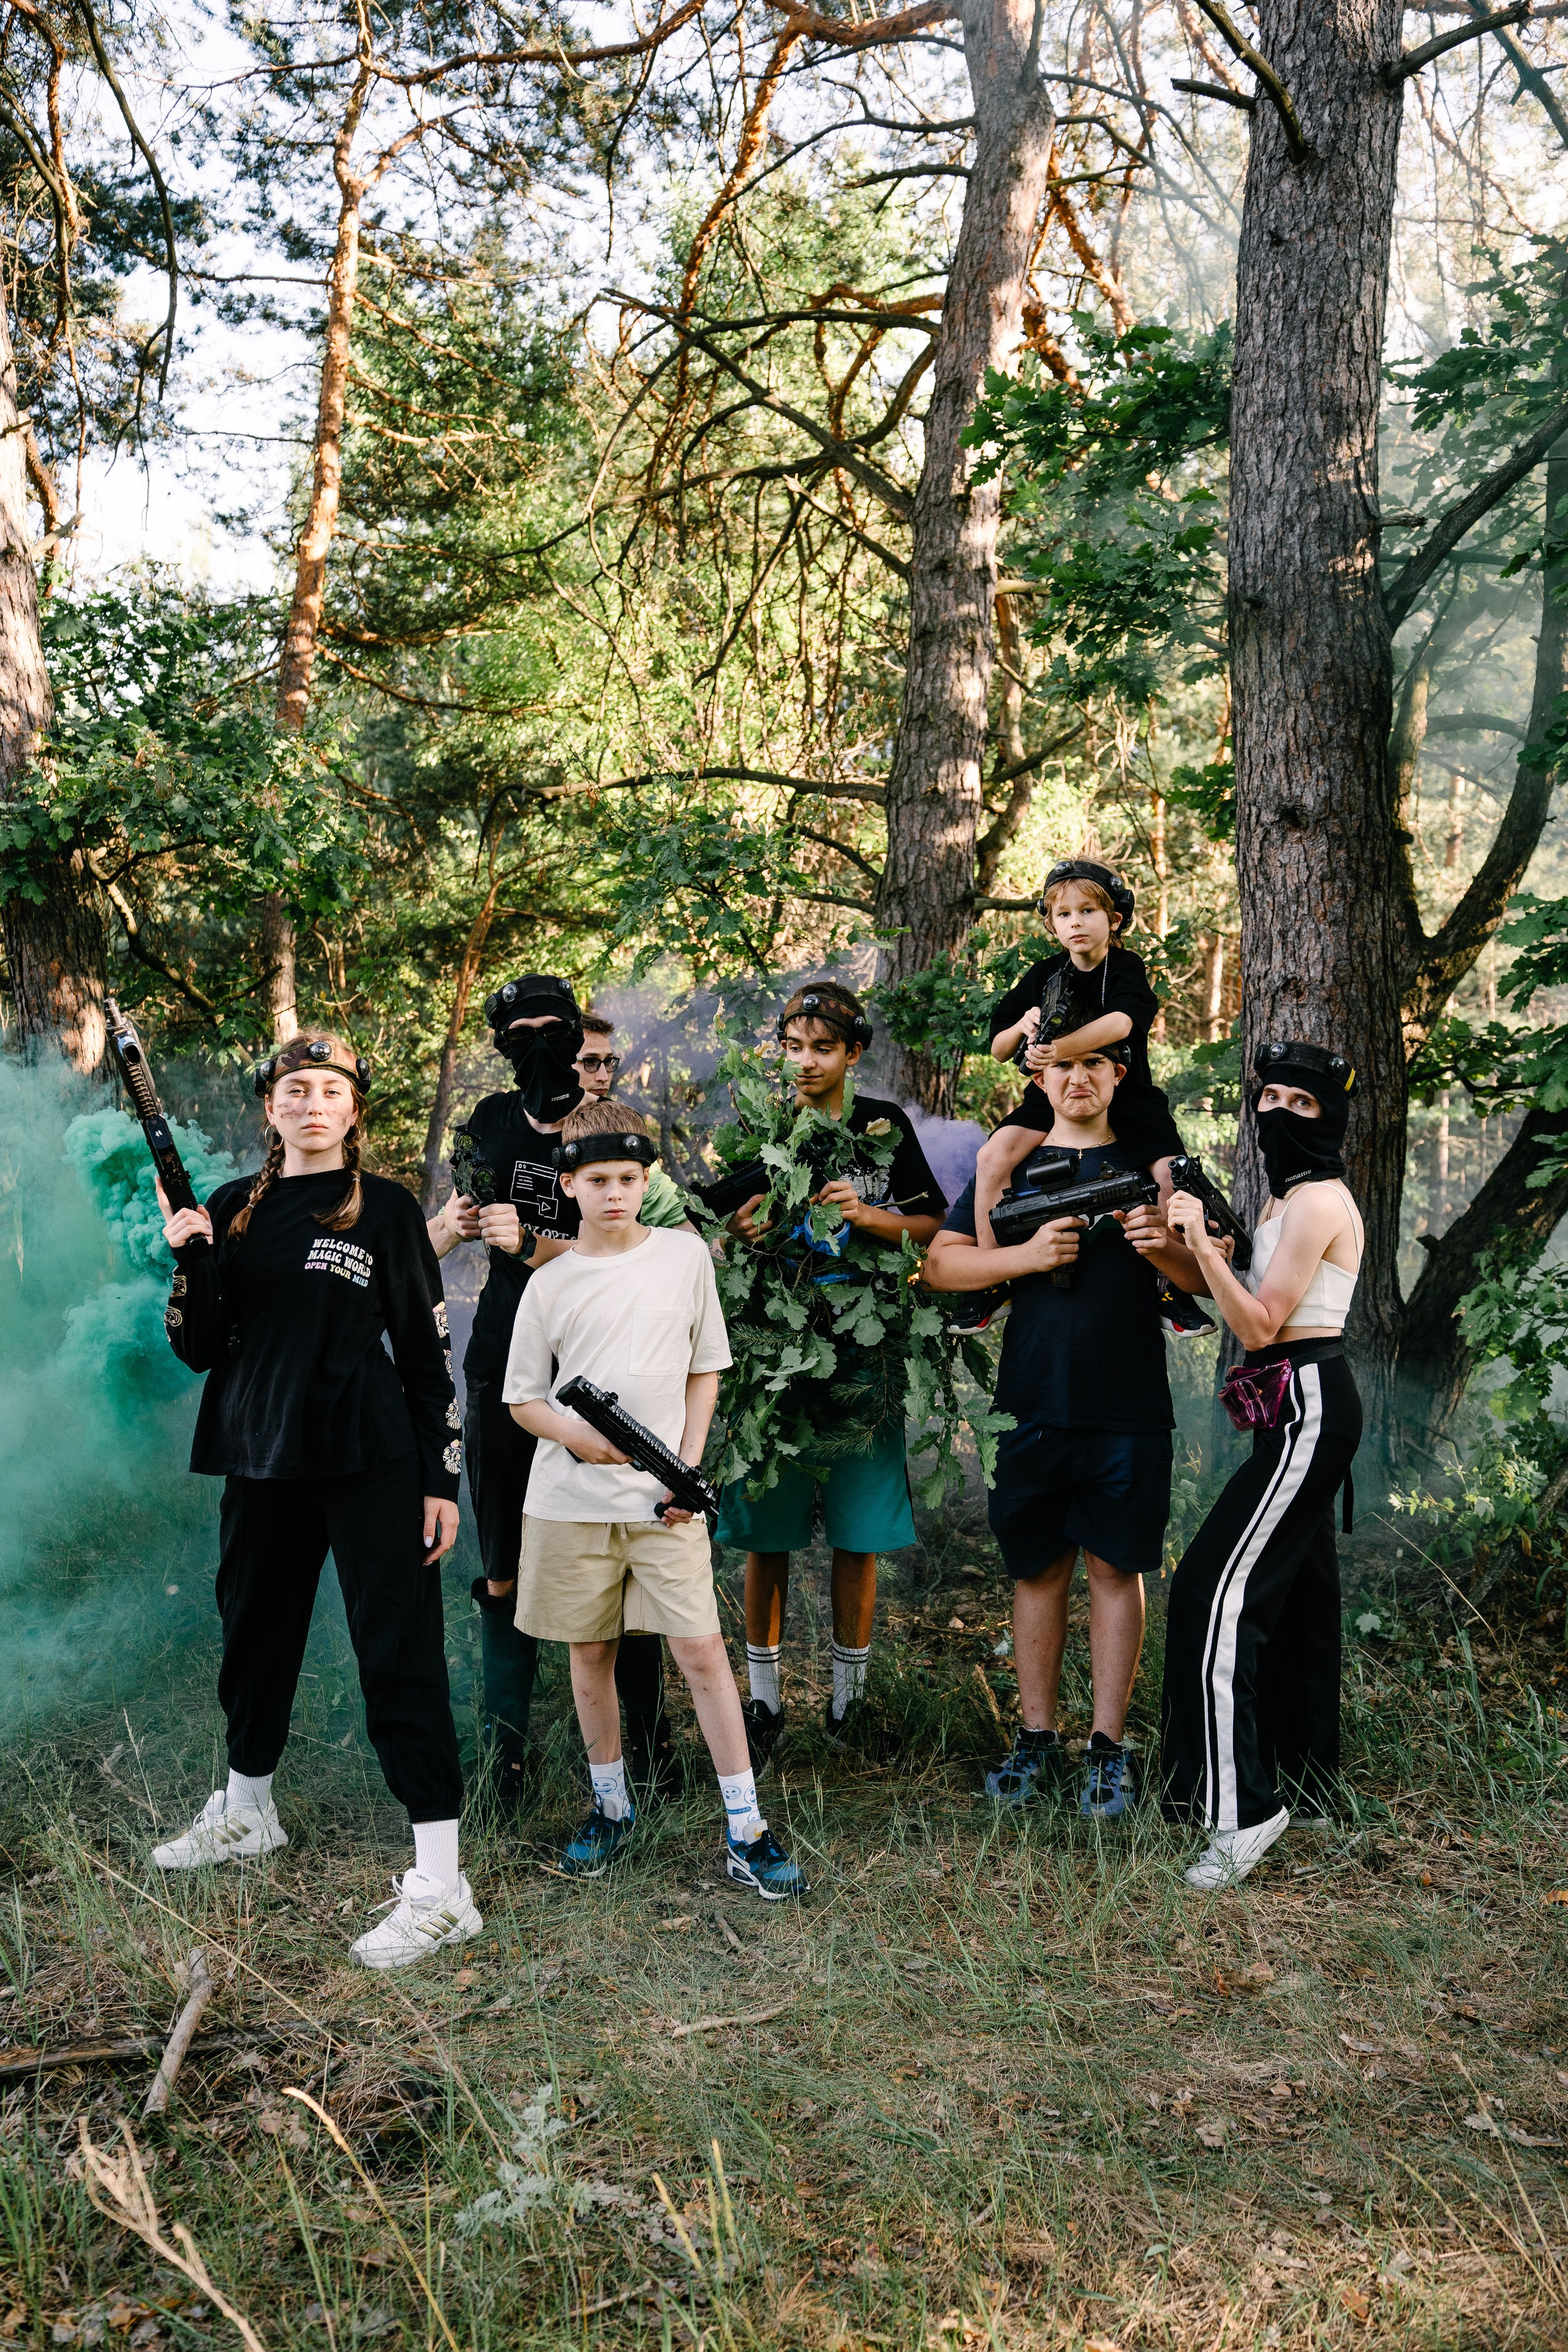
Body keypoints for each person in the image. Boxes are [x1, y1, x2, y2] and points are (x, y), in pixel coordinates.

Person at [153, 1033, 480, 1970]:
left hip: (371, 1462)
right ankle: (248, 1811)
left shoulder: (383, 1208)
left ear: (352, 1111)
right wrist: (190, 1257)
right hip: (259, 1459)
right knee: (254, 1641)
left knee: (397, 1656)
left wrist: (441, 1479)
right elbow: (199, 1347)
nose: (311, 1104)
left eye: (330, 1090)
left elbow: (427, 1353)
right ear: (270, 1108)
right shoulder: (230, 1208)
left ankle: (443, 1889)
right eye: (295, 1089)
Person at [503, 1102, 807, 1897]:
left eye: (630, 1179)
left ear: (648, 1181)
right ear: (568, 1184)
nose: (615, 1194)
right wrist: (577, 1435)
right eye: (598, 1179)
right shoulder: (549, 1282)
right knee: (590, 1654)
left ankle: (747, 1826)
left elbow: (706, 1368)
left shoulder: (683, 1256)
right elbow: (522, 1399)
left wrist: (685, 1469)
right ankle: (611, 1807)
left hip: (665, 1502)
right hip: (570, 1504)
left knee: (702, 1651)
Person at [924, 1041, 1205, 1820]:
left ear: (1119, 1075)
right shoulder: (1009, 1168)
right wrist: (1024, 1256)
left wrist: (1165, 1246)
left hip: (1128, 1405)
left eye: (1096, 1064)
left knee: (1116, 1569)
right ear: (1039, 1077)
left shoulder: (1155, 1167)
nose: (1078, 1078)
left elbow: (1208, 1279)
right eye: (1063, 1066)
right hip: (1031, 1403)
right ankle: (1036, 1738)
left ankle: (1107, 1749)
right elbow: (941, 1267)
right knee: (1038, 1571)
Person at [427, 975, 682, 1811]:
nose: (538, 1045)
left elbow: (647, 1255)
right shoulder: (488, 1124)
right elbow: (453, 1223)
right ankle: (506, 1758)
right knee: (502, 1565)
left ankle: (648, 1747)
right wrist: (438, 1236)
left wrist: (533, 1243)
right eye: (520, 1032)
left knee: (624, 1554)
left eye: (553, 1030)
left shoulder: (611, 1130)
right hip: (506, 1364)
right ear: (500, 1044)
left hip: (608, 1371)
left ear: (577, 1037)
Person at [716, 982, 944, 1766]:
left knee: (858, 1533)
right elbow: (719, 1227)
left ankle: (850, 1706)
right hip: (771, 1353)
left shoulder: (883, 1125)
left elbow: (931, 1224)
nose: (806, 1062)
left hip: (861, 1353)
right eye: (793, 1048)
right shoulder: (759, 1129)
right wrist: (740, 1236)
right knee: (766, 1532)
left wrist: (868, 1215)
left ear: (853, 1053)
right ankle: (763, 1703)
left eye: (823, 1048)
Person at [1159, 1039, 1363, 1890]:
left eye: (1301, 1103)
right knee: (1302, 1599)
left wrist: (1205, 1248)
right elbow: (1234, 1292)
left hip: (1307, 1398)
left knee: (1214, 1593)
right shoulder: (1284, 1198)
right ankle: (1307, 1783)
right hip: (1289, 1400)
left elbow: (1258, 1325)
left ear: (1331, 1115)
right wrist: (1166, 1246)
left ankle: (1241, 1813)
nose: (1278, 1113)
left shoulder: (1316, 1202)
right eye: (1269, 1098)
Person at [963, 865, 1203, 1339]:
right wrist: (1023, 1027)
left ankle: (1172, 1283)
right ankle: (993, 1276)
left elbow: (1121, 1024)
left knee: (1169, 1173)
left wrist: (1059, 1049)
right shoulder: (1044, 974)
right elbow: (999, 1048)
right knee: (993, 1156)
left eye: (1088, 911)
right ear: (1051, 924)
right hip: (1053, 1094)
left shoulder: (1126, 967)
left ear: (1114, 919)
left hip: (1127, 1091)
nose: (1076, 922)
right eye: (1064, 914)